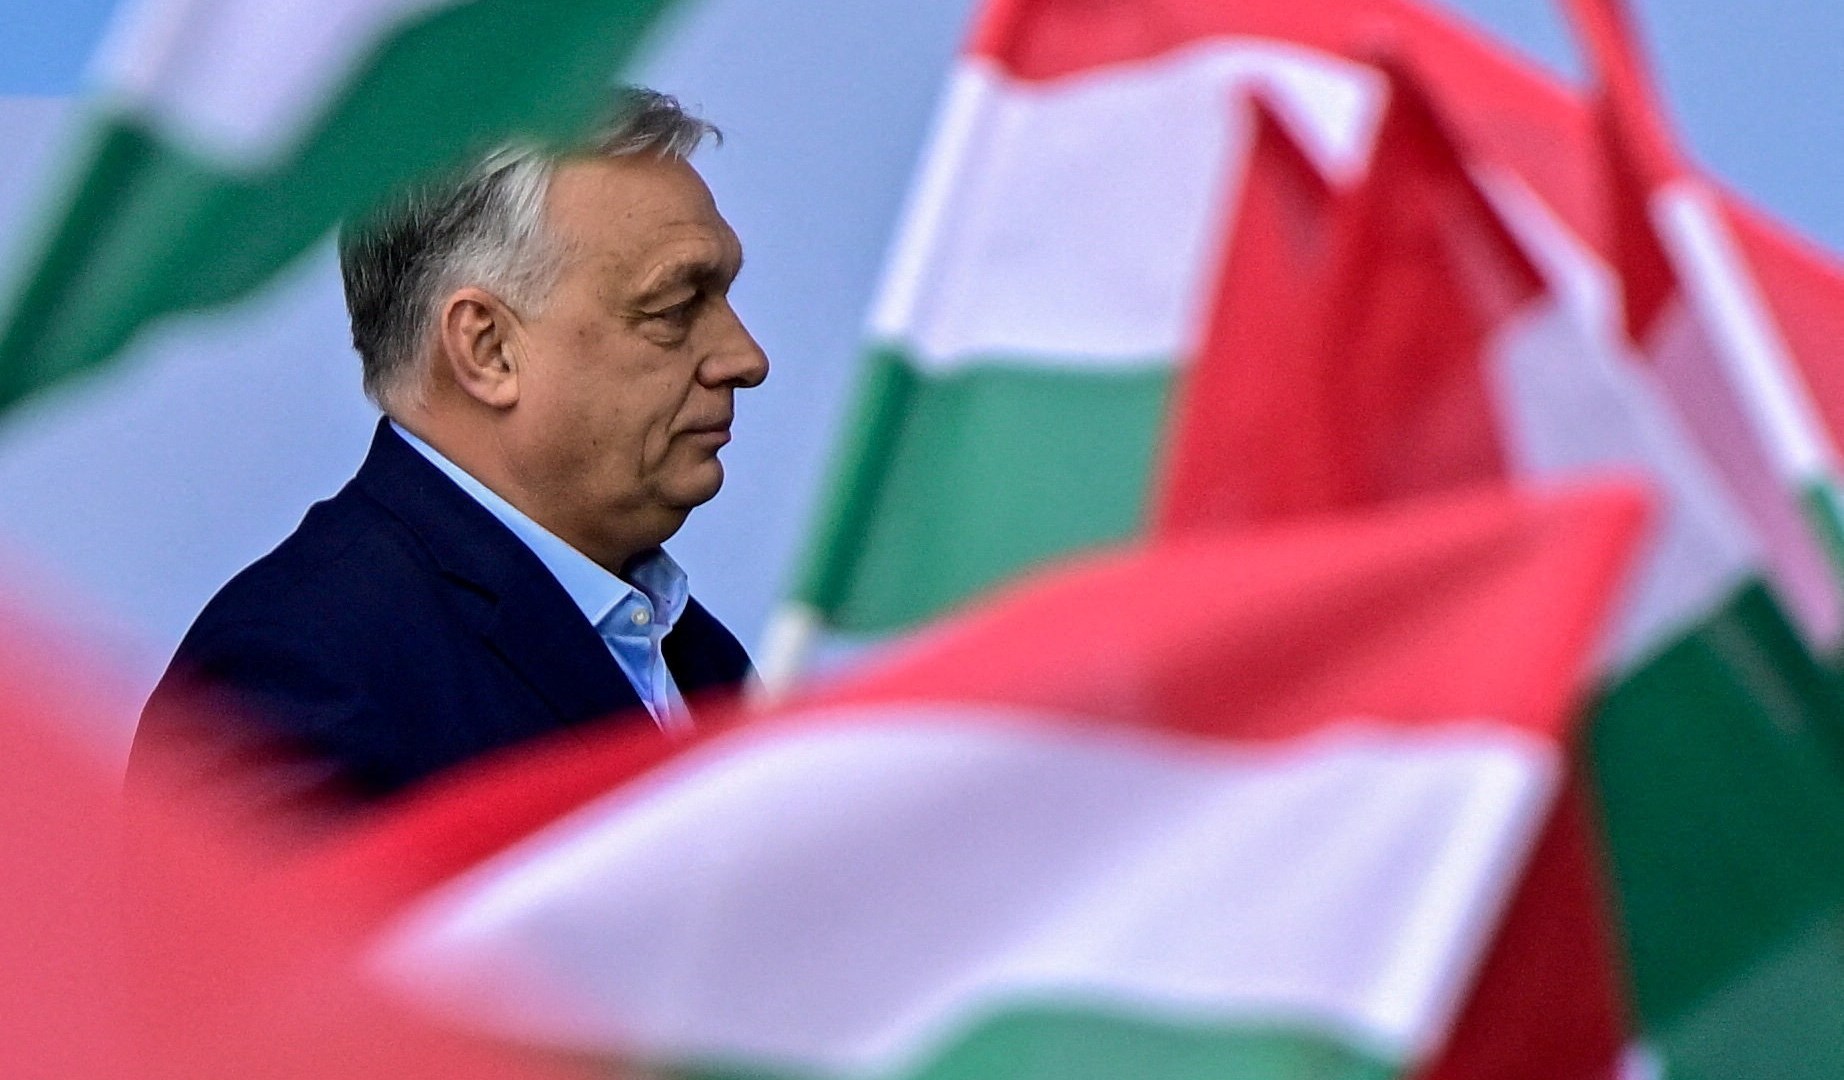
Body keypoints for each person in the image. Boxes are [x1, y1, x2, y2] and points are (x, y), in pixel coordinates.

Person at [131, 89, 768, 818]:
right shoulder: (289, 680)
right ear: (488, 350)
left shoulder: (697, 656)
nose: (746, 358)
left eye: (723, 296)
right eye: (674, 308)